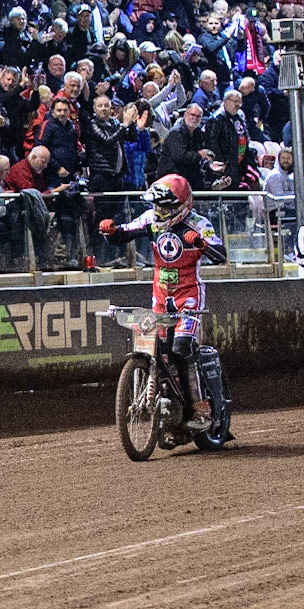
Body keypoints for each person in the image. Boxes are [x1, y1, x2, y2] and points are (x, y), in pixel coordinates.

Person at [100, 174, 226, 431]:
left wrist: (201, 244)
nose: (159, 211)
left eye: (164, 207)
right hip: (160, 296)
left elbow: (220, 255)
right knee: (159, 347)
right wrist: (110, 232)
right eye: (156, 206)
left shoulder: (199, 224)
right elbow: (125, 232)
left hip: (189, 295)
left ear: (180, 205)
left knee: (182, 346)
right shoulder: (151, 220)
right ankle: (169, 402)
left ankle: (201, 408)